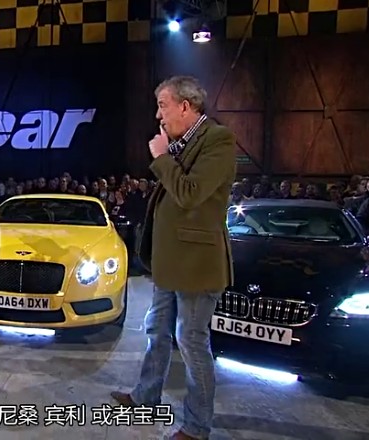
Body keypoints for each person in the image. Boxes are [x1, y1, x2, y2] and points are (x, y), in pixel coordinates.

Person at [110, 76, 236, 440]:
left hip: (197, 264)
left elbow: (191, 193)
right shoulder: (183, 143)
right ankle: (145, 397)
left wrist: (162, 158)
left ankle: (196, 427)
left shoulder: (217, 140)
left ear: (185, 105)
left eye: (163, 106)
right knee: (156, 329)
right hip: (169, 261)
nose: (158, 115)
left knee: (192, 341)